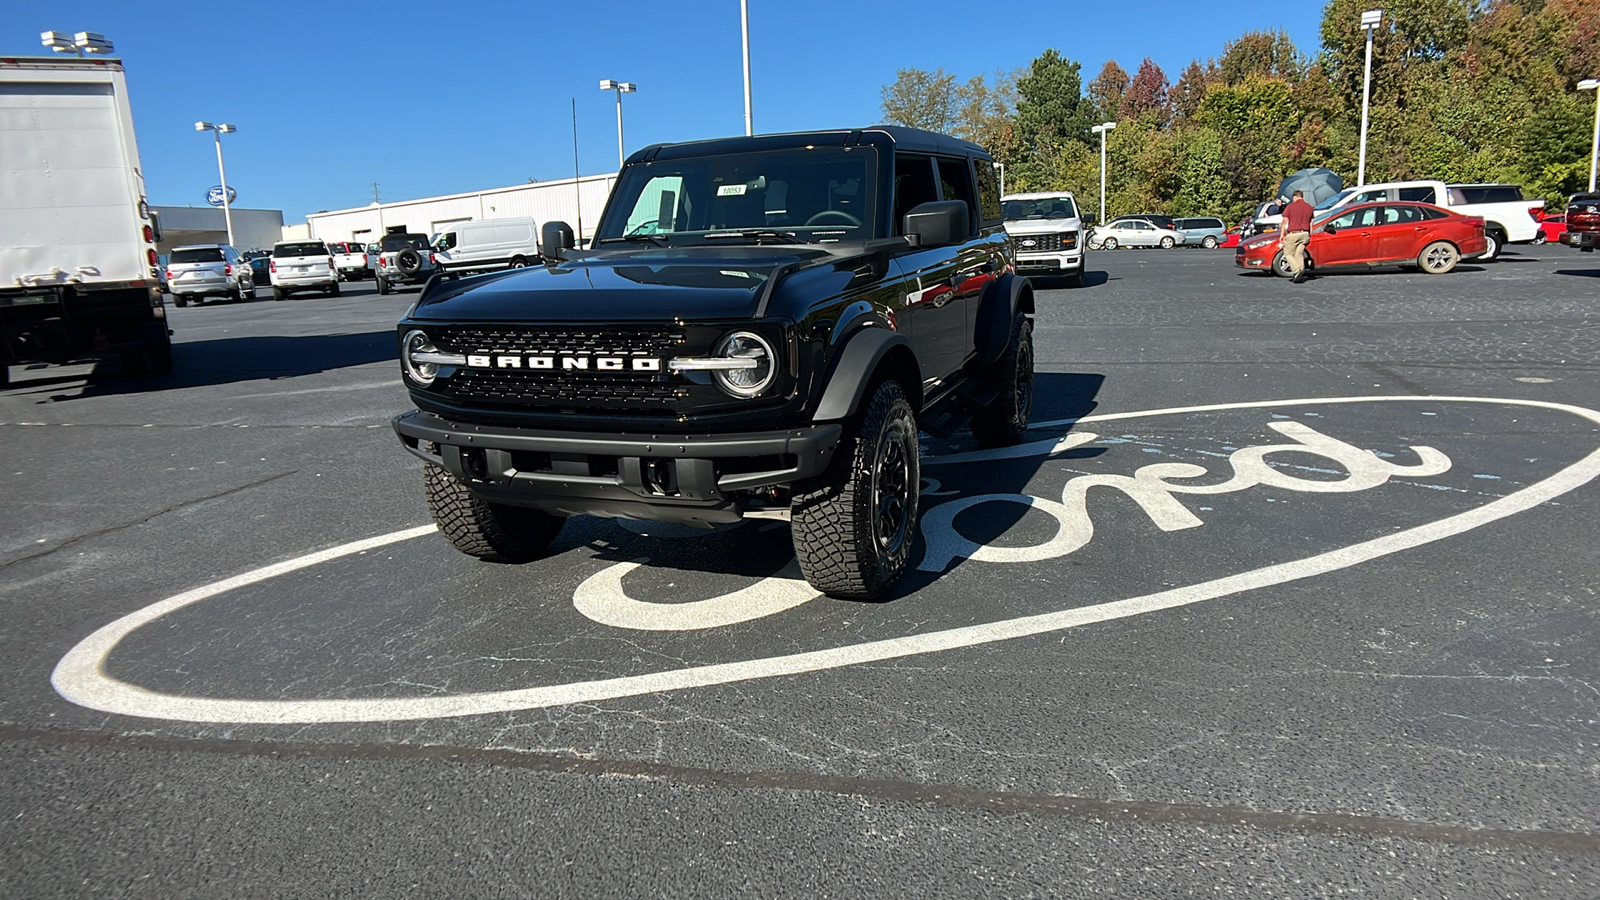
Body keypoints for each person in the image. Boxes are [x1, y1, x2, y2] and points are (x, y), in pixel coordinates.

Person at [1280, 189, 1315, 283]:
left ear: (1295, 197)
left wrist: (1282, 234)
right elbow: (1311, 222)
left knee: (1288, 253)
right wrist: (1310, 234)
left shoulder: (1291, 206)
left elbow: (1284, 221)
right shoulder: (1309, 207)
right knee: (1298, 254)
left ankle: (1296, 269)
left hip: (1293, 234)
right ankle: (1301, 270)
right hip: (1305, 234)